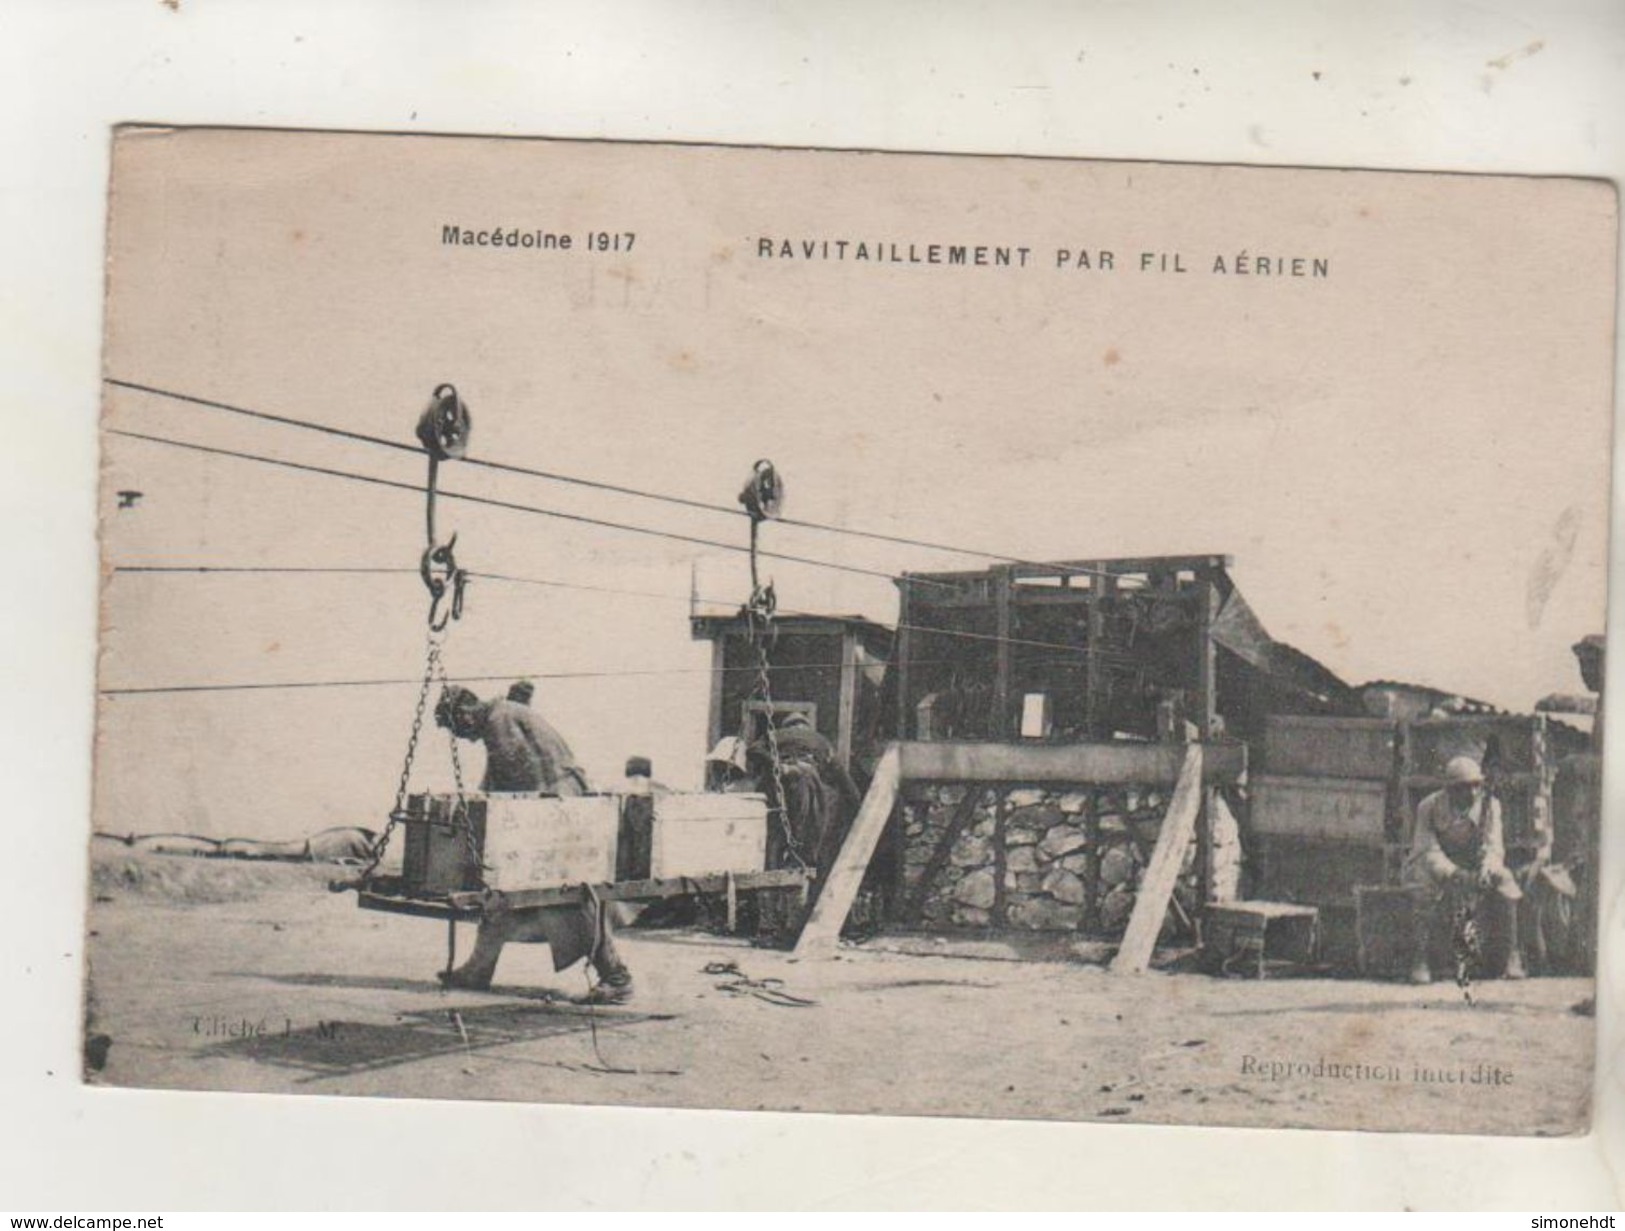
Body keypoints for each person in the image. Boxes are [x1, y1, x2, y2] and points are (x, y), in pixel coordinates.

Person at [432, 685, 633, 1003]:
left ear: (465, 714)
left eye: (459, 730)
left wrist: (474, 809)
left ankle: (616, 977)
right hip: (561, 803)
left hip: (557, 810)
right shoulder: (504, 714)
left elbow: (514, 781)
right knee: (503, 890)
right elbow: (501, 774)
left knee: (566, 899)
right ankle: (478, 969)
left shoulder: (499, 721)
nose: (464, 739)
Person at [1402, 755, 1526, 984]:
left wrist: (1486, 870)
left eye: (1475, 786)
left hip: (1473, 864)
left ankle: (1512, 955)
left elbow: (1493, 845)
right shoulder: (1429, 807)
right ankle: (1420, 959)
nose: (1470, 793)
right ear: (1449, 789)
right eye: (1462, 788)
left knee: (1505, 880)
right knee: (1422, 887)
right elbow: (1426, 849)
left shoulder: (1490, 806)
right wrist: (1453, 873)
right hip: (1437, 865)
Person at [748, 712, 863, 871]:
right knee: (814, 818)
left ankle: (770, 869)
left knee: (773, 831)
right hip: (805, 777)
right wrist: (856, 803)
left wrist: (776, 764)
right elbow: (842, 777)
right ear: (806, 725)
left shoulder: (776, 735)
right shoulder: (820, 740)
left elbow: (753, 749)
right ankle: (802, 861)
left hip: (775, 783)